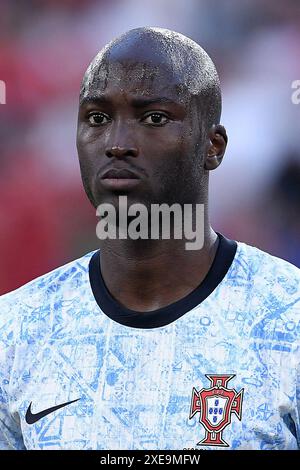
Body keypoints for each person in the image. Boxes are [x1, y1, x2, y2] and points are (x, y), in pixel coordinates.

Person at [0, 27, 299, 451]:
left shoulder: (288, 319)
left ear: (212, 146)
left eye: (154, 117)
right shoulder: (15, 333)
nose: (117, 144)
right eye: (97, 118)